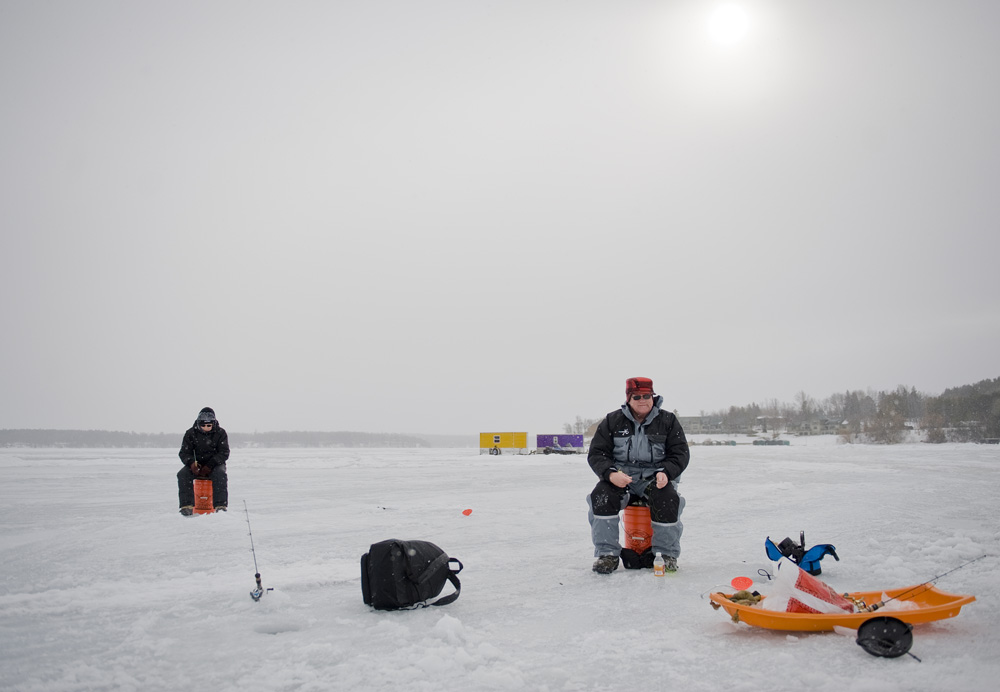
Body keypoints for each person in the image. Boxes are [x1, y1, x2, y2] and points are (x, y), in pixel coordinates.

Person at [587, 377, 689, 574]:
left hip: (654, 479)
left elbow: (680, 453)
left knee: (668, 499)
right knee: (601, 496)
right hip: (621, 479)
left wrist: (666, 472)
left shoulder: (668, 421)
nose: (643, 400)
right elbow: (597, 453)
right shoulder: (612, 421)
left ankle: (666, 554)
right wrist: (610, 474)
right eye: (637, 397)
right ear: (628, 398)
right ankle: (607, 554)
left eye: (647, 396)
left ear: (653, 396)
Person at [177, 407, 230, 515]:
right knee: (182, 474)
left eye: (208, 425)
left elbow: (224, 453)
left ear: (213, 424)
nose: (206, 428)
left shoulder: (221, 433)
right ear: (198, 424)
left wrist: (210, 465)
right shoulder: (190, 433)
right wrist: (192, 464)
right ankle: (186, 506)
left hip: (215, 465)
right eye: (203, 425)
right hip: (197, 465)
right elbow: (184, 453)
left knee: (220, 474)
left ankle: (220, 506)